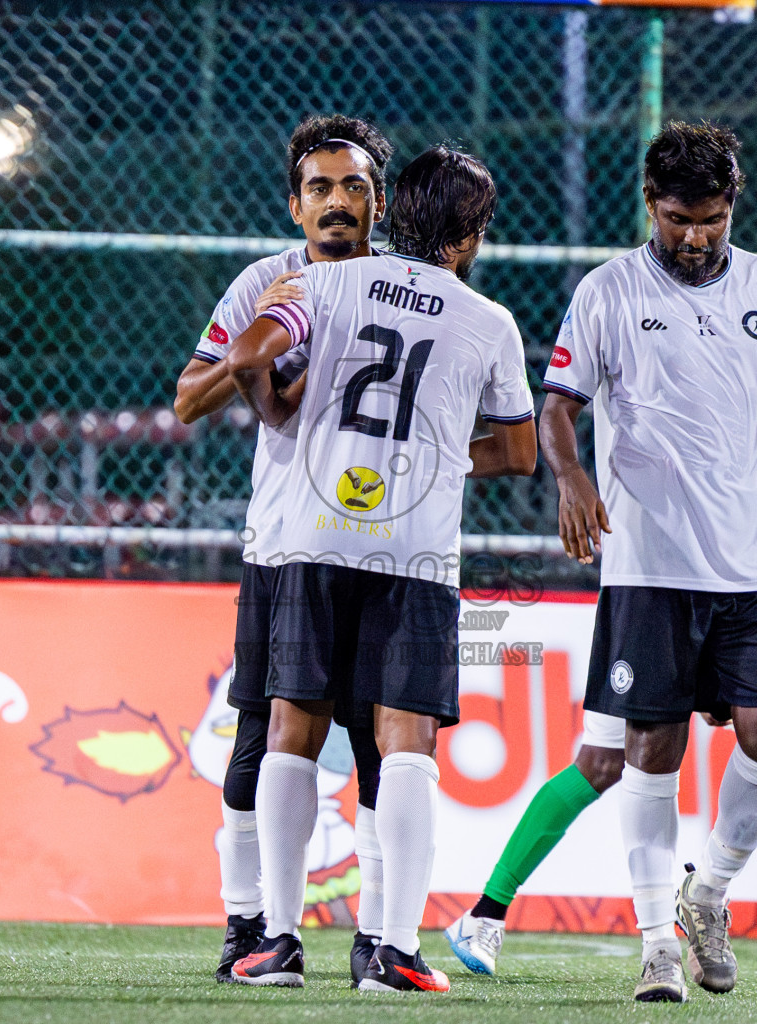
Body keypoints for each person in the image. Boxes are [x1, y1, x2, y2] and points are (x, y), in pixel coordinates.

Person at [520, 120, 757, 1003]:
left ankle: (707, 894)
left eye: (711, 220)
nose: (694, 237)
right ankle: (656, 943)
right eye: (679, 218)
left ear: (733, 207)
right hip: (648, 562)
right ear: (651, 205)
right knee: (652, 747)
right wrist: (569, 479)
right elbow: (556, 407)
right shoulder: (606, 292)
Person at [444, 419, 757, 985]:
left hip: (736, 624)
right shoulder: (701, 451)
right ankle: (485, 913)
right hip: (660, 608)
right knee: (601, 762)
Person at [224, 146, 538, 992]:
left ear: (392, 212)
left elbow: (248, 356)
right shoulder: (489, 320)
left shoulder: (325, 284)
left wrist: (279, 413)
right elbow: (519, 450)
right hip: (416, 548)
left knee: (292, 727)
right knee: (406, 745)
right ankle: (392, 951)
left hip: (315, 535)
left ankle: (277, 945)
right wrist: (437, 453)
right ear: (472, 233)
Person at [172, 114, 393, 984]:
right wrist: (260, 351)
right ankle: (248, 925)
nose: (337, 203)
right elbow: (189, 400)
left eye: (354, 188)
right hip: (284, 545)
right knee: (258, 737)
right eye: (320, 189)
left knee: (382, 743)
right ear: (293, 204)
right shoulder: (266, 282)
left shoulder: (406, 289)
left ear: (378, 200)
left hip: (386, 548)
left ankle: (381, 933)